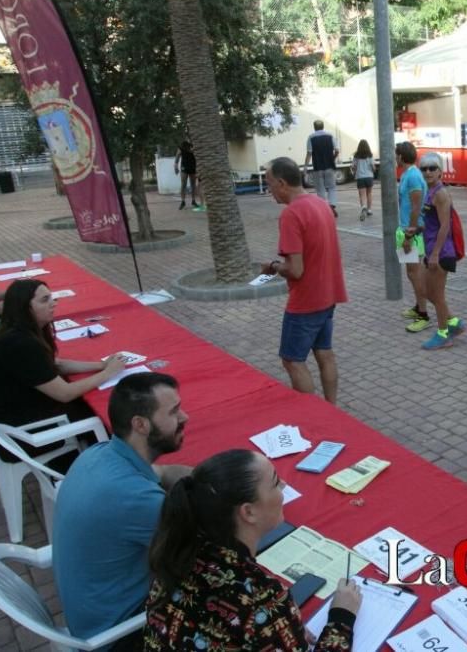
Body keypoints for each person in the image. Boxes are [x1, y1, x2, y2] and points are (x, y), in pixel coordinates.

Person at [144, 449, 360, 650]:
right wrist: (342, 617)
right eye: (275, 482)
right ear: (248, 512)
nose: (283, 485)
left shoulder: (176, 553)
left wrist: (282, 629)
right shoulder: (261, 599)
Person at [54, 372, 191, 647]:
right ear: (140, 424)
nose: (185, 417)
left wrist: (202, 479)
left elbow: (161, 471)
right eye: (174, 411)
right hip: (119, 633)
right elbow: (205, 556)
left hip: (92, 612)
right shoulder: (137, 498)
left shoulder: (100, 453)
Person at [0, 279, 127, 430]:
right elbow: (65, 393)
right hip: (18, 429)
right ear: (25, 308)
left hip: (12, 411)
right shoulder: (20, 343)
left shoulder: (19, 331)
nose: (53, 303)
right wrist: (108, 372)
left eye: (52, 298)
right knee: (109, 415)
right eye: (44, 300)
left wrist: (101, 365)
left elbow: (56, 364)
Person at [262, 158, 347, 404]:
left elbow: (296, 270)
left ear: (281, 183)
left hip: (306, 300)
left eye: (269, 185)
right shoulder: (321, 204)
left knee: (292, 359)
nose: (269, 191)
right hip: (329, 294)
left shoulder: (291, 214)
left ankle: (314, 416)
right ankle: (332, 409)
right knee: (324, 353)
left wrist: (275, 267)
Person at [418, 152, 465, 350]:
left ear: (440, 172)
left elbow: (445, 226)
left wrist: (436, 253)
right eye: (424, 168)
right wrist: (417, 230)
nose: (428, 172)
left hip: (442, 252)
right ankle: (454, 323)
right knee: (428, 292)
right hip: (431, 249)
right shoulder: (430, 191)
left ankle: (444, 334)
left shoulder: (441, 194)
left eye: (432, 168)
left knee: (437, 296)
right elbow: (432, 223)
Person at [396, 141, 430, 332]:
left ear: (401, 156)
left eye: (396, 155)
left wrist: (409, 235)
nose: (395, 158)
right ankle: (418, 306)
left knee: (415, 273)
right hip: (405, 230)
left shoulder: (414, 176)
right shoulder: (408, 174)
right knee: (410, 273)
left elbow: (416, 208)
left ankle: (424, 315)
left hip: (412, 231)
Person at [304, 119, 339, 217]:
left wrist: (305, 167)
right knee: (331, 187)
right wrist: (332, 158)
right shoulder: (330, 136)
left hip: (318, 167)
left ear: (314, 127)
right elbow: (337, 150)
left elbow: (309, 153)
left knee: (320, 189)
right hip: (329, 166)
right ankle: (331, 205)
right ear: (323, 126)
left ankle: (324, 208)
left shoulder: (311, 137)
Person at [351, 138, 375, 221]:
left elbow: (353, 167)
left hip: (360, 177)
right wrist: (373, 170)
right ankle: (369, 210)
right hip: (369, 177)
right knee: (369, 193)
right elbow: (373, 167)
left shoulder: (356, 156)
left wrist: (354, 172)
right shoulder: (370, 155)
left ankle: (363, 207)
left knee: (362, 195)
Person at [174, 140, 200, 210]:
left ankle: (193, 200)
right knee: (183, 184)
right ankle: (183, 201)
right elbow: (177, 156)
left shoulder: (195, 144)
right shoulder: (182, 146)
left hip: (193, 167)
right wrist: (175, 166)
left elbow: (197, 155)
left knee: (193, 184)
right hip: (184, 167)